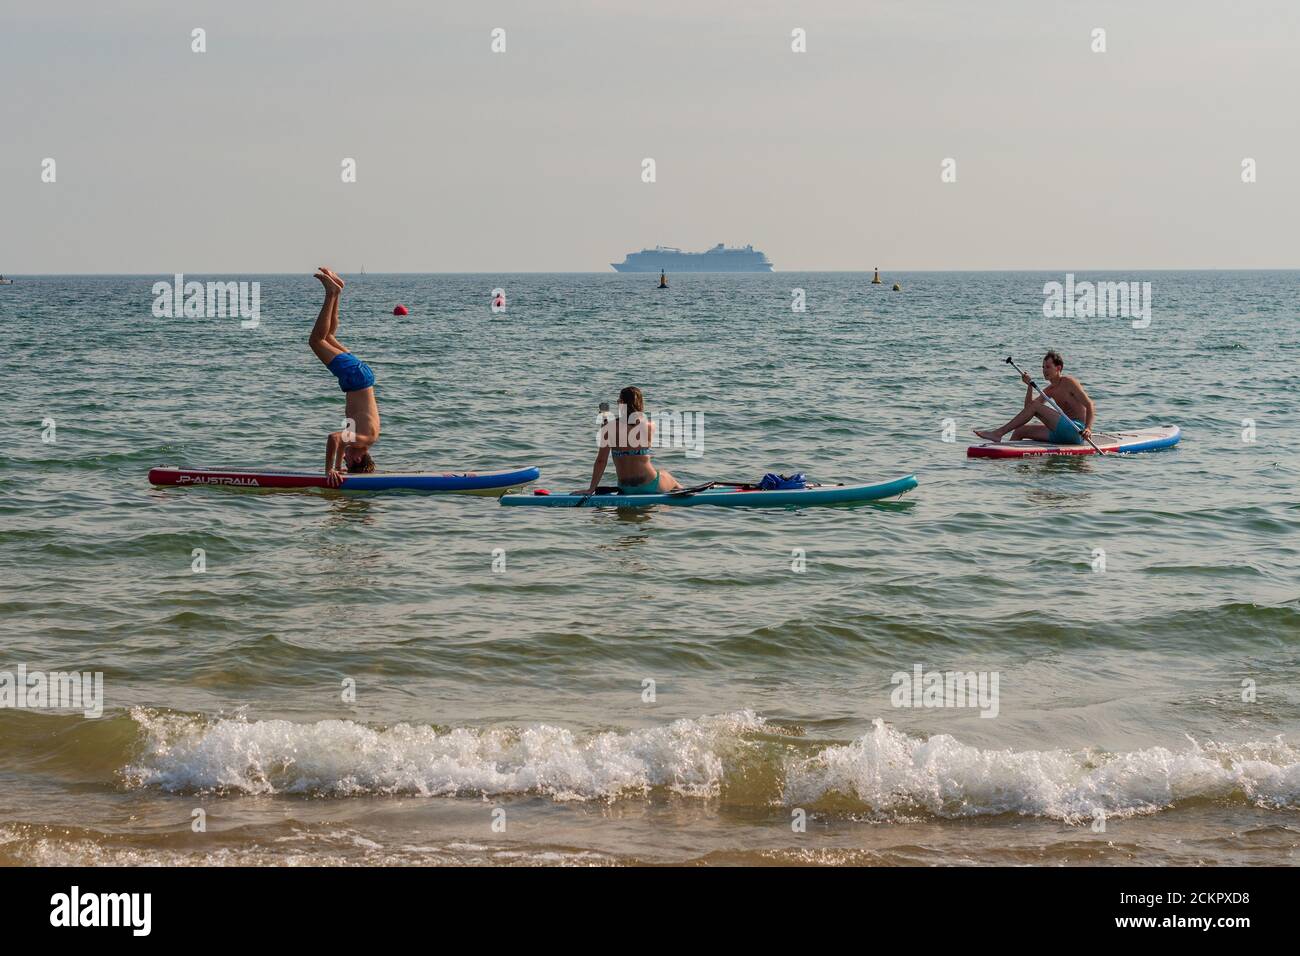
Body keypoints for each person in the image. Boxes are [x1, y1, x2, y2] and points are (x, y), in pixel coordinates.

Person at [309, 267, 381, 485]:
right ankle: (331, 293)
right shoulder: (365, 439)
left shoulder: (361, 438)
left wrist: (340, 465)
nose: (345, 458)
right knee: (316, 341)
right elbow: (334, 438)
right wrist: (331, 470)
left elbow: (340, 441)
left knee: (328, 335)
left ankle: (337, 291)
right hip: (355, 378)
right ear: (358, 457)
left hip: (361, 376)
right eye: (349, 462)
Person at [974, 351, 1095, 445]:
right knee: (1020, 430)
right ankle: (1010, 461)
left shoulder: (1069, 382)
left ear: (1058, 368)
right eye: (1043, 367)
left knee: (1036, 406)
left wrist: (1088, 429)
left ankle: (998, 433)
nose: (1044, 370)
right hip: (1059, 433)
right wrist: (1029, 386)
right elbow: (1029, 408)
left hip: (1076, 431)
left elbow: (1090, 405)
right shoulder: (1049, 390)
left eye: (1048, 367)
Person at [580, 386, 682, 494]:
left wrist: (591, 489)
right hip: (650, 484)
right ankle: (685, 493)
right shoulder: (650, 426)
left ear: (622, 403)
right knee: (665, 475)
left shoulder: (609, 428)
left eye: (619, 401)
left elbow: (601, 461)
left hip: (625, 488)